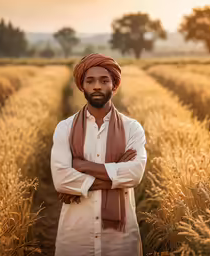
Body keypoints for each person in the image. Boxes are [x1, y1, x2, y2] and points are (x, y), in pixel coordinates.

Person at [50, 53, 147, 256]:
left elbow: (135, 174)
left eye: (104, 80)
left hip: (120, 240)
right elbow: (61, 180)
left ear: (114, 85)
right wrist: (116, 176)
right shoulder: (65, 128)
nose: (97, 86)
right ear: (81, 86)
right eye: (90, 80)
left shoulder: (132, 128)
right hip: (76, 236)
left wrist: (82, 167)